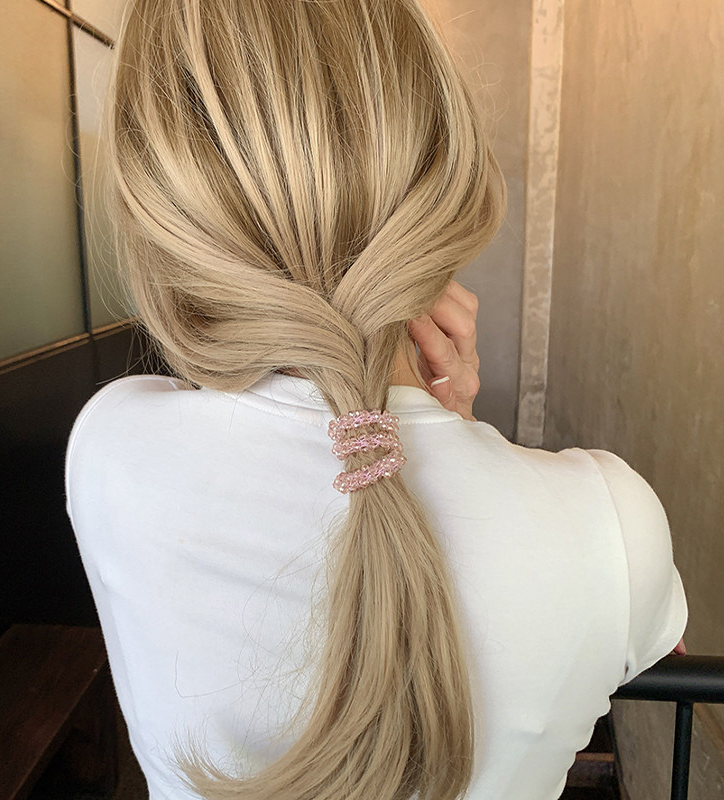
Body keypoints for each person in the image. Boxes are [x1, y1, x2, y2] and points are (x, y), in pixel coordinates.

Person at [65, 1, 688, 798]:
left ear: (161, 211)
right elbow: (649, 647)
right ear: (444, 174)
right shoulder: (611, 524)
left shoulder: (113, 448)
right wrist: (455, 427)